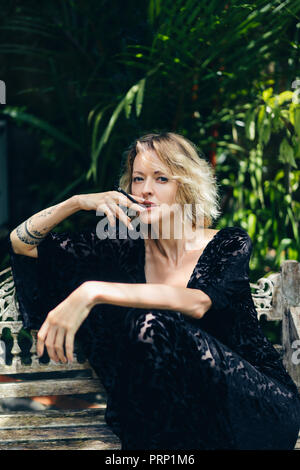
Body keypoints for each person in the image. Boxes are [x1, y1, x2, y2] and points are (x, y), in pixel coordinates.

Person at [7, 132, 300, 450]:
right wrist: (78, 203)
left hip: (255, 407)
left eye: (161, 178)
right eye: (137, 179)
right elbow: (22, 243)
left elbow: (198, 301)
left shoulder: (227, 243)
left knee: (151, 321)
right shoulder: (120, 247)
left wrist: (91, 291)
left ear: (185, 187)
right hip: (177, 416)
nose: (146, 190)